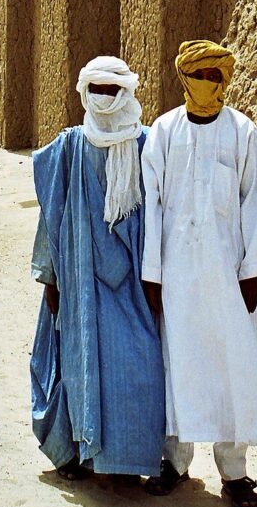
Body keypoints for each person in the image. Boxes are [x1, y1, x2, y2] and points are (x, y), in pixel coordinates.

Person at [141, 39, 257, 507]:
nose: (208, 84)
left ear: (224, 80)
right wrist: (152, 273)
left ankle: (235, 473)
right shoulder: (163, 132)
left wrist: (251, 273)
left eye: (216, 76)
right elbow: (153, 205)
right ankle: (175, 461)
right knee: (178, 364)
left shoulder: (243, 132)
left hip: (230, 276)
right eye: (200, 75)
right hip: (178, 274)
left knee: (232, 367)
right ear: (184, 78)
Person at [30, 55, 165, 483]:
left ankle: (127, 462)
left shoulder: (146, 144)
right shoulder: (69, 146)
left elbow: (163, 215)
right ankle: (77, 456)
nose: (105, 99)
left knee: (137, 367)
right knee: (79, 365)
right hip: (81, 279)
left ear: (126, 93)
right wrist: (49, 276)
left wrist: (158, 276)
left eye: (113, 91)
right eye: (98, 91)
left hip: (133, 283)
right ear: (85, 93)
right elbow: (51, 214)